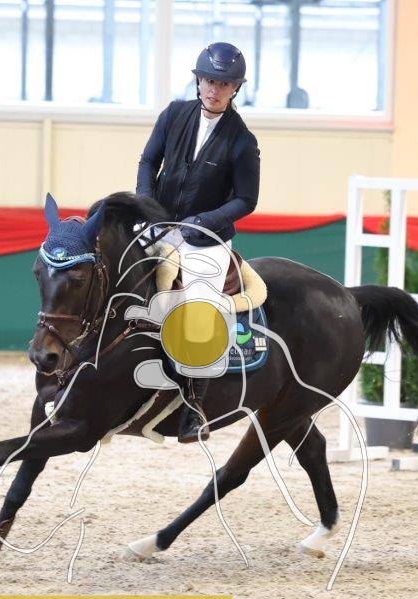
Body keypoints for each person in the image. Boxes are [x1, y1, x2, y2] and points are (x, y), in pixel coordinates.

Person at [136, 41, 260, 443]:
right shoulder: (173, 115)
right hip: (158, 224)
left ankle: (193, 407)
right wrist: (146, 205)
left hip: (205, 239)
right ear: (198, 81)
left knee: (202, 311)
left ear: (235, 88)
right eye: (209, 81)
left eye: (223, 84)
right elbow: (148, 161)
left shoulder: (242, 141)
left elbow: (246, 200)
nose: (214, 89)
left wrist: (204, 222)